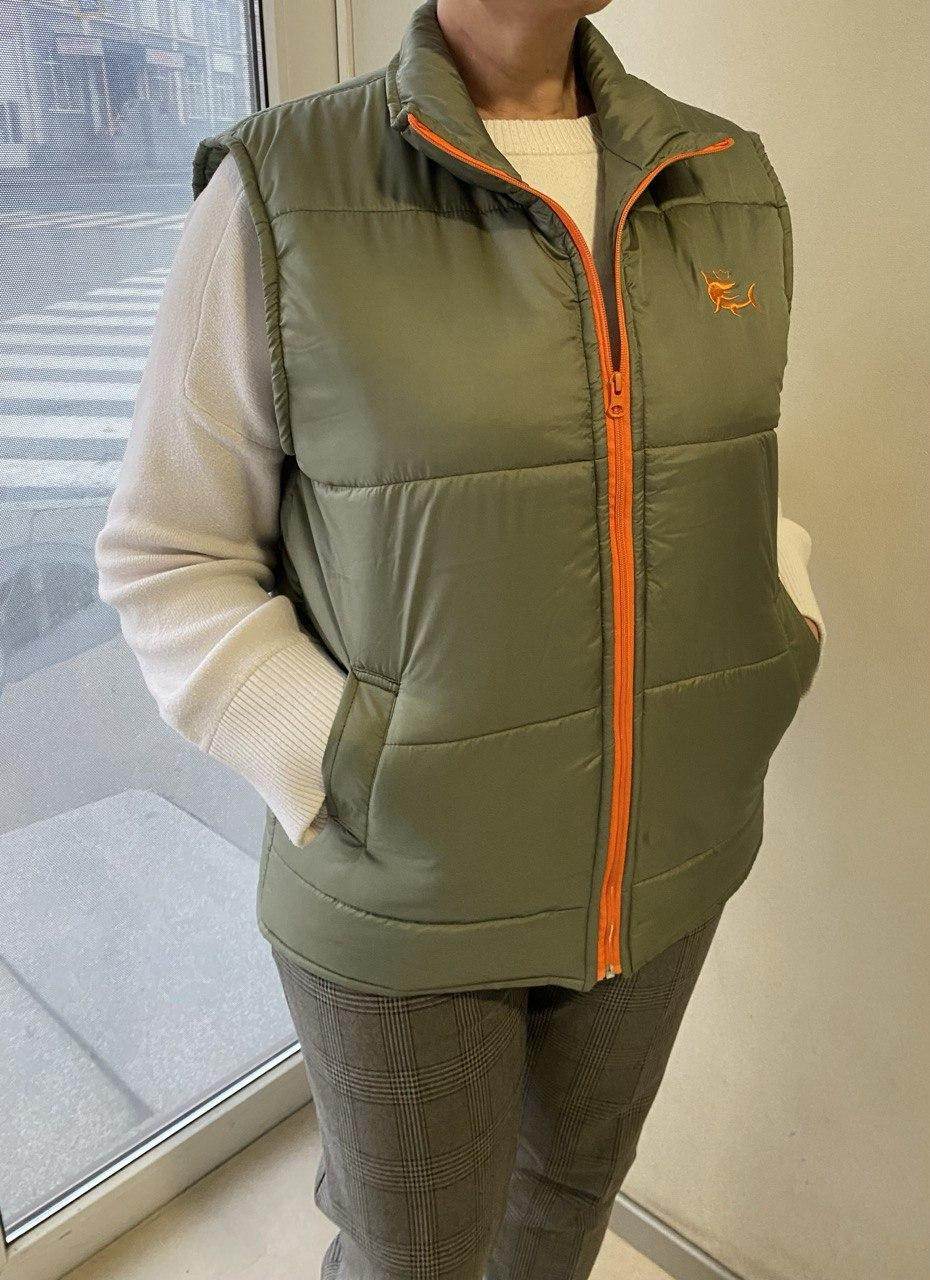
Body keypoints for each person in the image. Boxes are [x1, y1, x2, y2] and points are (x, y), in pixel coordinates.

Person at [94, 1, 826, 1275]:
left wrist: (781, 620)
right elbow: (169, 552)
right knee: (416, 1254)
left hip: (672, 853)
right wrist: (343, 757)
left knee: (566, 1203)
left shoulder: (727, 179)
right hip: (407, 889)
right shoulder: (281, 188)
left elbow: (717, 470)